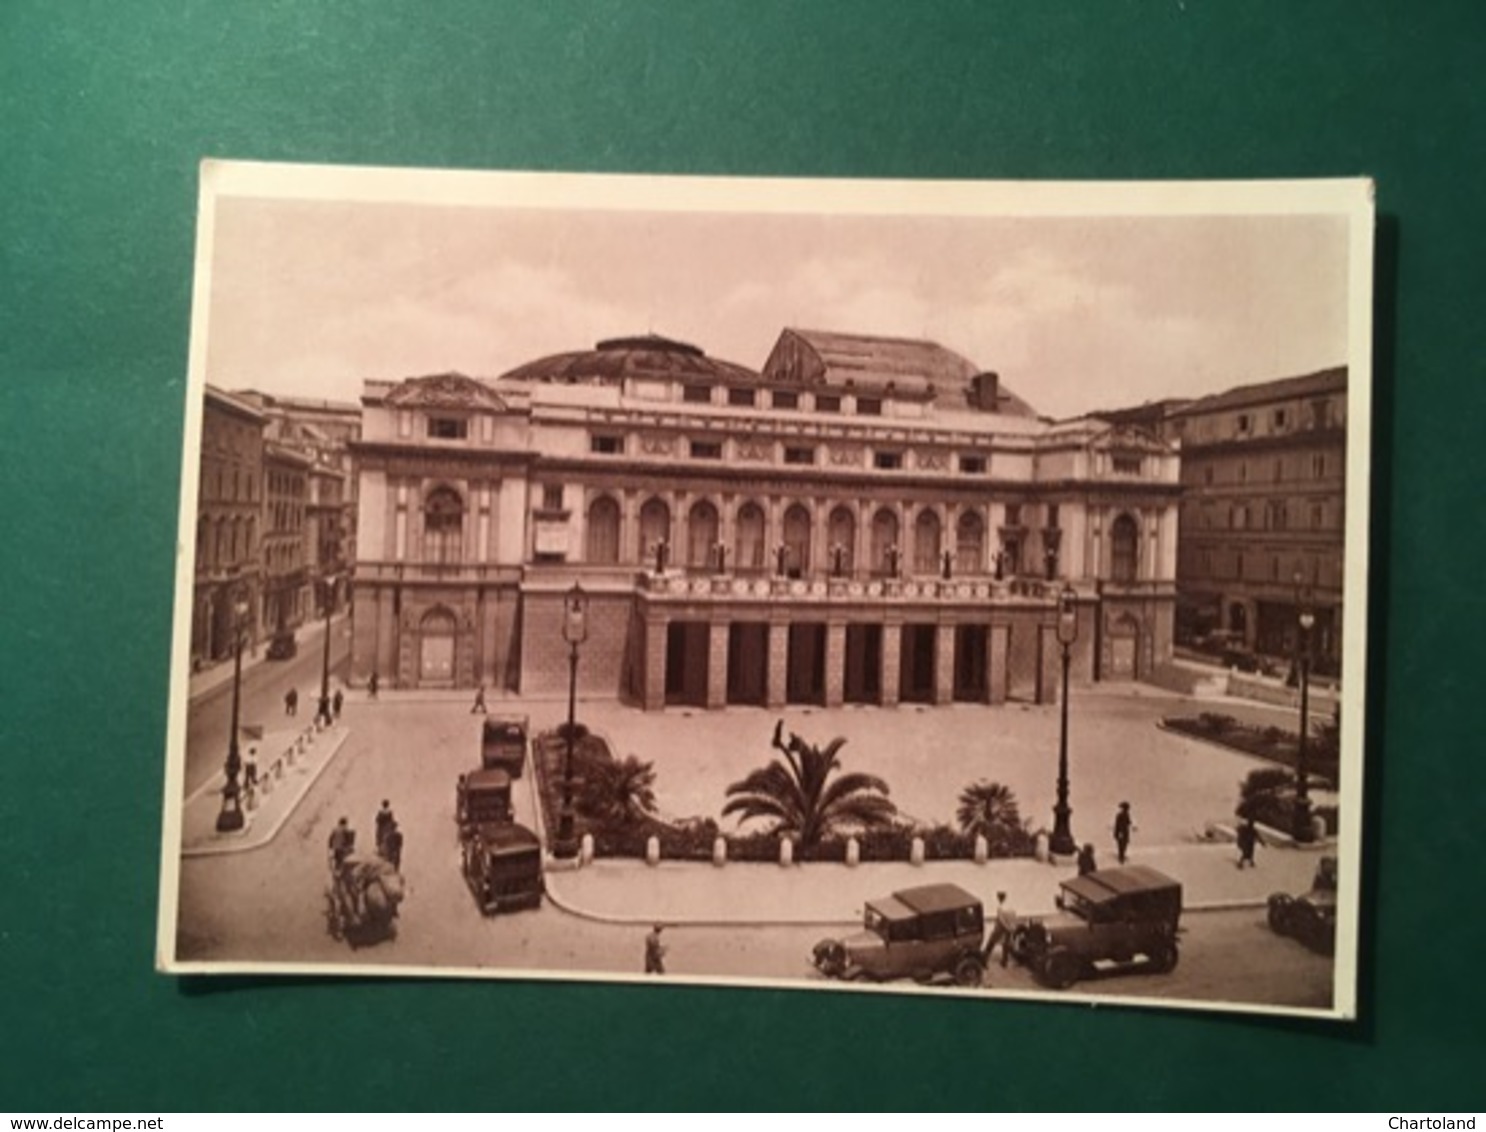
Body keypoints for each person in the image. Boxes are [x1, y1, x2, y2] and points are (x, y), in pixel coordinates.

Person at [983, 891, 1015, 968]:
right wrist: (1011, 927)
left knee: (991, 943)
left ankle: (984, 959)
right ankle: (1004, 962)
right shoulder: (1010, 907)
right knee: (1006, 945)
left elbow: (1001, 920)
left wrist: (1006, 927)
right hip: (1009, 928)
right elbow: (1013, 917)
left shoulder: (1000, 907)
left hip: (1000, 929)